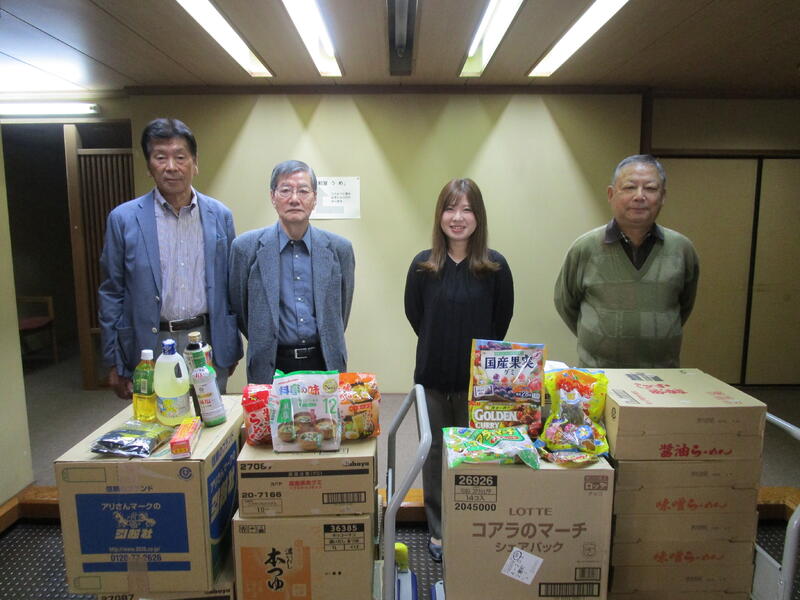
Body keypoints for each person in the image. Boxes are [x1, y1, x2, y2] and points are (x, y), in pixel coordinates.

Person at [404, 178, 514, 562]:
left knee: (476, 457)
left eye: (467, 209)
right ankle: (438, 530)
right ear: (440, 215)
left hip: (479, 387)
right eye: (451, 208)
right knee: (433, 455)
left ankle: (472, 529)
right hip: (432, 381)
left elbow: (500, 323)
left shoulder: (495, 268)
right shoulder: (422, 266)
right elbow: (416, 317)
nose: (458, 217)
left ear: (478, 217)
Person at [98, 118, 242, 399]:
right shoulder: (124, 219)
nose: (171, 167)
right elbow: (111, 292)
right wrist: (114, 359)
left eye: (180, 157)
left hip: (207, 340)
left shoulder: (219, 215)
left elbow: (231, 286)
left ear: (194, 162)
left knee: (212, 424)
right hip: (150, 343)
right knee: (159, 430)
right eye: (160, 157)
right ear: (149, 165)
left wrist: (231, 345)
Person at [554, 154, 700, 368]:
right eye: (630, 187)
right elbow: (566, 304)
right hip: (599, 376)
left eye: (650, 188)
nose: (640, 196)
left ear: (663, 196)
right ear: (611, 194)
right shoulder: (585, 248)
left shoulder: (682, 249)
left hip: (663, 378)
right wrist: (599, 336)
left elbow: (684, 305)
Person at [229, 160, 355, 383]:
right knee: (272, 419)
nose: (295, 199)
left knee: (325, 420)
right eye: (285, 190)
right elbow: (241, 310)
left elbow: (340, 312)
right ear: (272, 196)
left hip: (324, 361)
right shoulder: (245, 248)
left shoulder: (339, 249)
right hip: (270, 363)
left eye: (303, 191)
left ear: (314, 198)